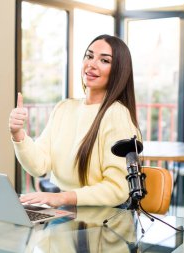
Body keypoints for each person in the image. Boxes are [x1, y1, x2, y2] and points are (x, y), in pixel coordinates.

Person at [9, 34, 141, 208]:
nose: (92, 64)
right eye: (89, 56)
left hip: (102, 220)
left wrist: (62, 198)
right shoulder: (64, 108)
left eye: (104, 61)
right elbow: (39, 166)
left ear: (119, 70)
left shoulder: (116, 114)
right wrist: (17, 133)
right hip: (65, 212)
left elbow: (118, 189)